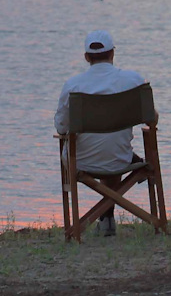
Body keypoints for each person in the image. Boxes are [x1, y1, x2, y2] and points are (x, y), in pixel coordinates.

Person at [54, 29, 148, 236]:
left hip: (80, 161)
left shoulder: (73, 86)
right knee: (112, 148)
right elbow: (152, 118)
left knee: (96, 146)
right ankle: (107, 218)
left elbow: (61, 127)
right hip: (121, 157)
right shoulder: (134, 80)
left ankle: (100, 221)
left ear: (86, 57)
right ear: (112, 54)